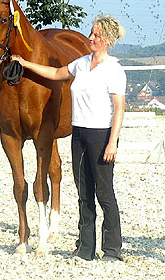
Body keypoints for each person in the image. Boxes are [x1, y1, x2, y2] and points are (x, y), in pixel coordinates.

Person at [11, 14, 126, 262]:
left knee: (104, 193)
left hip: (101, 134)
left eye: (95, 35)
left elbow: (119, 108)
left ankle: (112, 249)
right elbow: (55, 73)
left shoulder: (114, 69)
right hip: (80, 133)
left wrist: (113, 141)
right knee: (83, 192)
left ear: (106, 39)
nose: (90, 38)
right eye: (91, 33)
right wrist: (27, 64)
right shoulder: (81, 63)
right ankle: (85, 248)